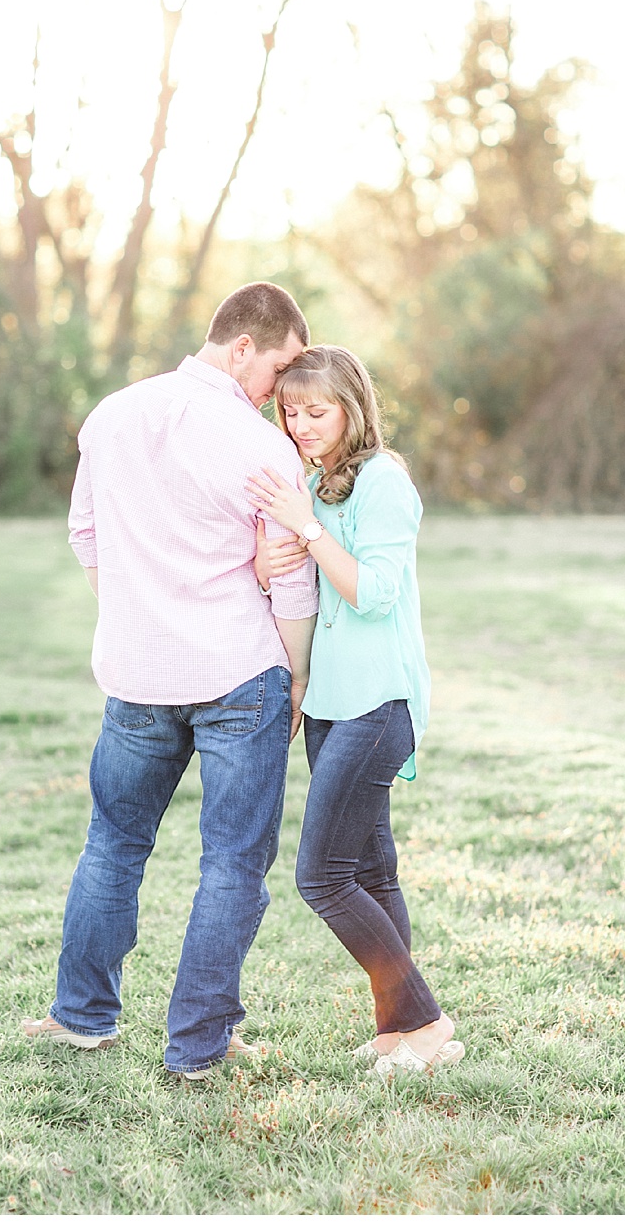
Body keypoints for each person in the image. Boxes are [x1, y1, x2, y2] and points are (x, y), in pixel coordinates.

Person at [22, 281, 319, 1081]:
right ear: (243, 346)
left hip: (138, 673)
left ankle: (82, 1018)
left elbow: (85, 533)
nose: (285, 390)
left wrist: (137, 611)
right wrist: (297, 678)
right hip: (239, 673)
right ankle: (198, 1047)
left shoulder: (113, 413)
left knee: (113, 845)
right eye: (282, 366)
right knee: (230, 863)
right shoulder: (264, 449)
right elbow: (289, 578)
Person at [246, 344, 458, 1080]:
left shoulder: (382, 482)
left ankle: (426, 1021)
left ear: (353, 409)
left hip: (379, 702)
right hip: (331, 700)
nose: (301, 424)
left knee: (323, 876)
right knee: (371, 869)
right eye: (290, 411)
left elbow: (373, 592)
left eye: (318, 411)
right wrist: (271, 558)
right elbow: (300, 576)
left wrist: (306, 531)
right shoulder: (312, 480)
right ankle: (398, 1031)